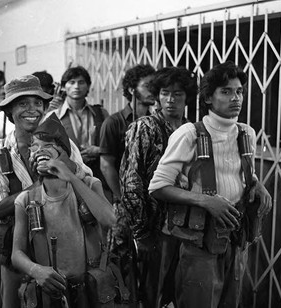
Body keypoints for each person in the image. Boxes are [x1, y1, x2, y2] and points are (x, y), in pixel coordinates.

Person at [148, 61, 272, 308]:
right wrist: (205, 200)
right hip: (199, 243)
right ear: (208, 98)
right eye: (225, 91)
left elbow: (242, 172)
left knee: (231, 302)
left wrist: (257, 184)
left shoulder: (247, 133)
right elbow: (158, 187)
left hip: (236, 239)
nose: (235, 97)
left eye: (239, 91)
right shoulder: (189, 134)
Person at [0, 75, 93, 308]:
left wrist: (66, 168)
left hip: (61, 244)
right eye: (22, 103)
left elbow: (88, 181)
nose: (31, 110)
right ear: (9, 112)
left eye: (37, 103)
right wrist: (37, 188)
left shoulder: (64, 144)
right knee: (13, 302)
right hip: (17, 249)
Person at [11, 114, 116, 308]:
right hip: (51, 293)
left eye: (47, 146)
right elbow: (17, 253)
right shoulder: (26, 199)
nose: (39, 152)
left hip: (90, 290)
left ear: (64, 152)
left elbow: (111, 220)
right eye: (34, 147)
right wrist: (35, 270)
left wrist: (71, 177)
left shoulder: (89, 185)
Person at [118, 67, 197, 307]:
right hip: (153, 226)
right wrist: (141, 232)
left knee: (180, 290)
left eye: (178, 94)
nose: (171, 100)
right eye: (165, 93)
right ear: (157, 96)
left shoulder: (193, 130)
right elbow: (131, 181)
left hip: (185, 225)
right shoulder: (145, 127)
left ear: (187, 97)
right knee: (153, 292)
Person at [45, 66, 110, 197]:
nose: (76, 87)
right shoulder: (53, 117)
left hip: (99, 176)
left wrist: (98, 150)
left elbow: (112, 144)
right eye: (72, 82)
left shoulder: (100, 113)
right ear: (63, 87)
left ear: (88, 86)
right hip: (67, 178)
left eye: (81, 82)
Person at [99, 64, 156, 203]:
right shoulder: (113, 122)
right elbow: (106, 165)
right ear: (132, 90)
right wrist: (122, 197)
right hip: (122, 198)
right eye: (147, 86)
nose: (153, 90)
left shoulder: (154, 122)